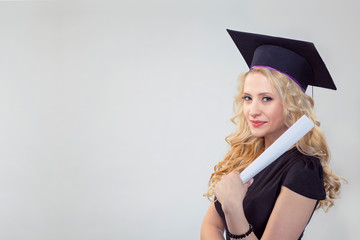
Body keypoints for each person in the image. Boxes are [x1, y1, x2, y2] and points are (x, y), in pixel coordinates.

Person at [200, 30, 345, 240]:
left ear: (292, 105)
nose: (253, 110)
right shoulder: (246, 155)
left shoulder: (303, 169)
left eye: (266, 99)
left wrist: (233, 209)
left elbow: (227, 217)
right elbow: (210, 225)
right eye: (248, 98)